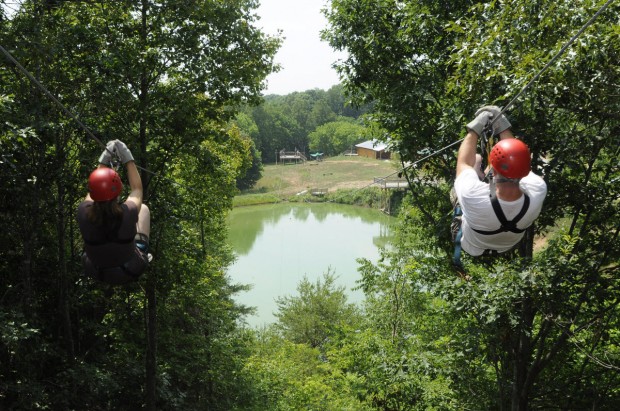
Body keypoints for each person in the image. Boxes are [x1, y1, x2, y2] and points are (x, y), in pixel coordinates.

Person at [453, 105, 547, 262]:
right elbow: (515, 156)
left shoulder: (472, 194)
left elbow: (462, 164)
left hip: (471, 244)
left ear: (494, 173)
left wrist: (475, 128)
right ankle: (479, 170)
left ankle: (477, 170)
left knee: (473, 162)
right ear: (526, 170)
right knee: (475, 166)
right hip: (508, 244)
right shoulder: (538, 189)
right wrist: (501, 123)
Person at [77, 140, 151, 285]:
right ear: (117, 191)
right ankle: (142, 249)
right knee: (144, 209)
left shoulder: (83, 212)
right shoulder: (127, 213)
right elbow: (137, 190)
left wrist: (104, 159)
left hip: (96, 270)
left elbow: (94, 190)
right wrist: (127, 158)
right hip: (130, 268)